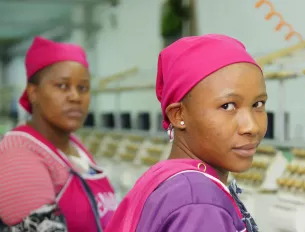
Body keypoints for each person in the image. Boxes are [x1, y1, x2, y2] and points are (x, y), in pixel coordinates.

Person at [105, 34, 267, 232]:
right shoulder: (199, 203)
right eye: (228, 106)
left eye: (258, 104)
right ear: (178, 115)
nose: (251, 127)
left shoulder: (169, 181)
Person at [0, 37, 117, 232]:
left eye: (83, 88)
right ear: (33, 92)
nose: (75, 97)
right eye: (62, 86)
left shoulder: (75, 146)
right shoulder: (18, 153)